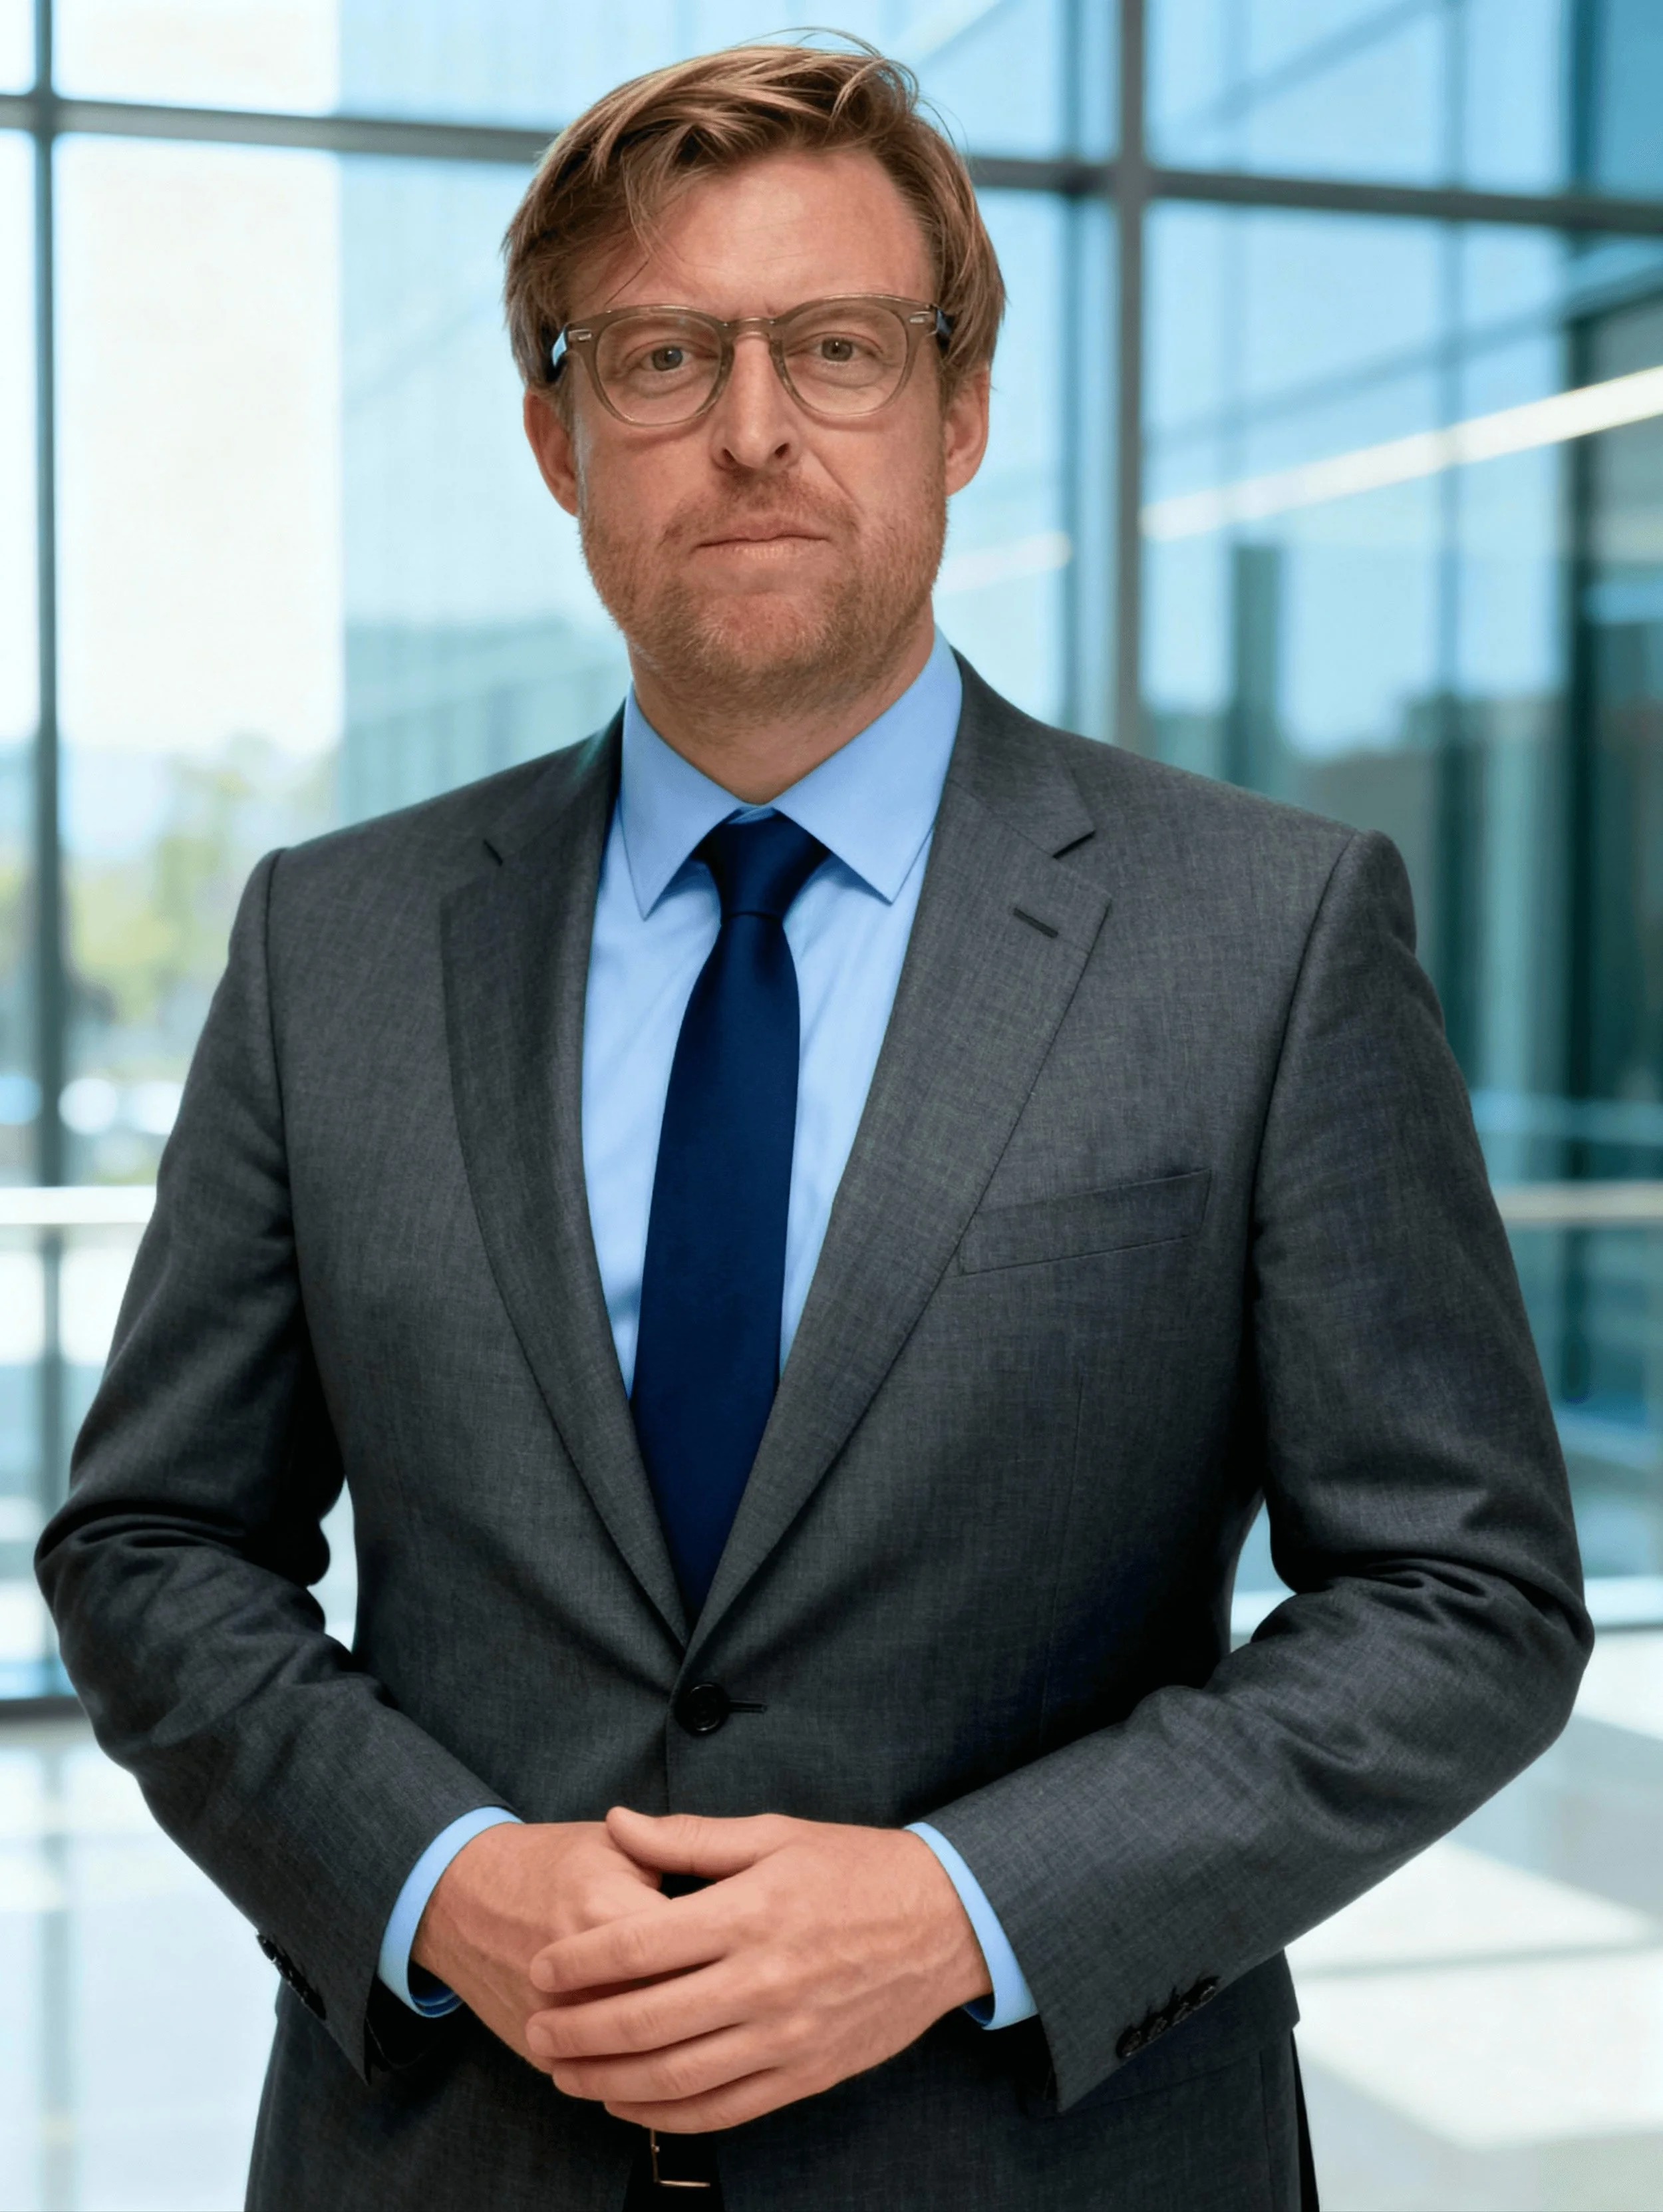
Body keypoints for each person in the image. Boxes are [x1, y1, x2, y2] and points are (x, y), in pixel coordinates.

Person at [38, 39, 1589, 2212]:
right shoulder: (337, 940)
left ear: (953, 414)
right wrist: (441, 1880)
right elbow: (152, 1543)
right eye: (662, 355)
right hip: (448, 2165)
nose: (751, 429)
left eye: (836, 348)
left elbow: (1463, 1593)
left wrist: (962, 1906)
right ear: (554, 436)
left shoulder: (1268, 930)